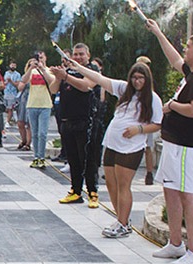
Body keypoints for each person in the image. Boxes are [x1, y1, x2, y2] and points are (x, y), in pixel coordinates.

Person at [146, 20, 193, 264]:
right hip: (175, 143)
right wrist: (158, 33)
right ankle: (175, 242)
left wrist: (172, 106)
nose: (185, 51)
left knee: (189, 196)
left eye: (188, 47)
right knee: (171, 192)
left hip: (188, 145)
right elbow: (175, 60)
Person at [68, 60, 163, 237]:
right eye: (134, 78)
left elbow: (158, 124)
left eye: (141, 78)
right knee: (111, 183)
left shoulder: (153, 99)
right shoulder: (124, 90)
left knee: (123, 184)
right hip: (112, 143)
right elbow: (100, 78)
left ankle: (123, 222)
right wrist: (78, 68)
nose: (137, 82)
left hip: (131, 146)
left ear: (147, 79)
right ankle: (120, 218)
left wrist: (139, 129)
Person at [50, 43, 101, 208]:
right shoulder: (68, 70)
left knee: (88, 158)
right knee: (73, 159)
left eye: (81, 54)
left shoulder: (92, 70)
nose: (78, 57)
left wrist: (65, 76)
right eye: (75, 54)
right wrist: (58, 76)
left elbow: (85, 86)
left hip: (86, 121)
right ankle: (76, 190)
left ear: (88, 55)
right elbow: (53, 89)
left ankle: (93, 192)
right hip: (67, 120)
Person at [22, 51, 54, 167]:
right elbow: (24, 80)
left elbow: (52, 82)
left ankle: (42, 157)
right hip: (32, 104)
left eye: (41, 57)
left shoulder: (49, 71)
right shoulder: (32, 71)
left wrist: (43, 69)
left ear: (45, 58)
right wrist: (31, 67)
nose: (40, 60)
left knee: (42, 133)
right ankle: (36, 156)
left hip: (45, 105)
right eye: (38, 58)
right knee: (34, 133)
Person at [136, 55, 158, 185]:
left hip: (146, 118)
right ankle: (149, 173)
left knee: (148, 147)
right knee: (147, 147)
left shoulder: (149, 83)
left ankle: (149, 173)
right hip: (140, 118)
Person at [3, 60, 21, 125]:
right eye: (12, 65)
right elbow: (4, 82)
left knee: (10, 108)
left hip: (12, 93)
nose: (13, 66)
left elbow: (17, 84)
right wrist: (5, 83)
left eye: (14, 65)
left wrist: (11, 81)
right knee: (7, 108)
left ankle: (7, 121)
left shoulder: (17, 74)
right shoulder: (6, 73)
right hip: (6, 92)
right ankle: (11, 118)